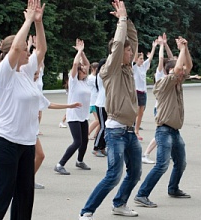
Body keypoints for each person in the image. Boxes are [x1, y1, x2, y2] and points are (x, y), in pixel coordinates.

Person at [0, 1, 69, 218]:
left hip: (26, 143)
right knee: (1, 195)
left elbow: (42, 49)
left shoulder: (26, 73)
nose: (28, 53)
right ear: (12, 53)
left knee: (24, 196)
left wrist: (38, 23)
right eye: (24, 51)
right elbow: (19, 46)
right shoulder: (3, 74)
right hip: (4, 141)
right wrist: (27, 19)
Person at [79, 1, 141, 219]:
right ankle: (87, 211)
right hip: (115, 131)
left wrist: (127, 20)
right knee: (113, 176)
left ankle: (119, 204)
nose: (131, 51)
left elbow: (131, 40)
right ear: (117, 52)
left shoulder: (127, 69)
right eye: (128, 50)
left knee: (135, 173)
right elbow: (118, 44)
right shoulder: (110, 70)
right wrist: (121, 22)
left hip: (130, 131)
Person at [134, 36, 193, 208]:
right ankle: (141, 195)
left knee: (181, 163)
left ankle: (173, 189)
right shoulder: (164, 83)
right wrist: (181, 50)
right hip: (164, 130)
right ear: (171, 71)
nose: (183, 72)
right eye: (179, 70)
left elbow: (188, 66)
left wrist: (185, 48)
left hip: (174, 130)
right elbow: (178, 70)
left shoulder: (177, 82)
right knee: (162, 164)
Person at [54, 38, 91, 175]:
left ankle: (79, 161)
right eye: (82, 70)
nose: (85, 71)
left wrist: (82, 53)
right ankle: (60, 164)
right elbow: (76, 64)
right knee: (77, 142)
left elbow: (86, 64)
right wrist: (78, 52)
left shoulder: (85, 81)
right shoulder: (74, 81)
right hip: (74, 117)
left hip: (83, 116)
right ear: (77, 72)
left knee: (85, 140)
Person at [142, 33, 173, 164]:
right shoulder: (160, 75)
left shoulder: (171, 76)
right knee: (161, 133)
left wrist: (165, 44)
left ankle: (167, 152)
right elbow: (161, 60)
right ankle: (146, 154)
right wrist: (160, 46)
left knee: (169, 132)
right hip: (160, 108)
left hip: (168, 108)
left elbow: (171, 58)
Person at [133, 39, 157, 141]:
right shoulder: (134, 67)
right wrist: (136, 44)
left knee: (141, 112)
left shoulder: (143, 67)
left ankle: (136, 130)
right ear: (137, 59)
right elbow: (134, 58)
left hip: (143, 92)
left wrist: (154, 47)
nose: (142, 60)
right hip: (136, 92)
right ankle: (132, 129)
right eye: (140, 58)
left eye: (143, 58)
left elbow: (150, 58)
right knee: (135, 112)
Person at [92, 59, 108, 157]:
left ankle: (102, 147)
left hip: (106, 104)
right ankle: (96, 147)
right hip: (101, 104)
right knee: (103, 127)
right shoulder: (101, 75)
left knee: (107, 127)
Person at [87, 62, 100, 141]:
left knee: (101, 121)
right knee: (98, 120)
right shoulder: (91, 78)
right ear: (93, 69)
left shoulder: (95, 77)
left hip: (97, 101)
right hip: (94, 101)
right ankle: (87, 133)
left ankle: (95, 135)